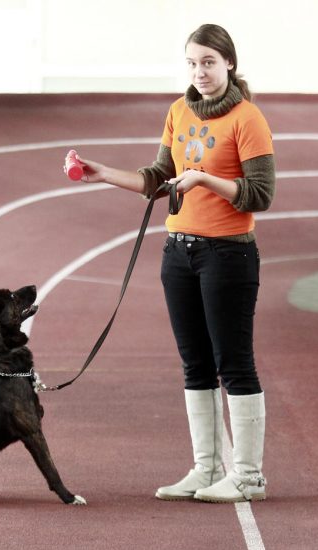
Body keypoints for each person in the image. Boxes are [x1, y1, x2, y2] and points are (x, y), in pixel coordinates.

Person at [76, 24, 275, 503]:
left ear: (228, 62)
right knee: (195, 365)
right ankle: (207, 469)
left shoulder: (248, 119)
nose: (199, 72)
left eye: (208, 62)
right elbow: (157, 180)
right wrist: (102, 174)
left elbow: (260, 195)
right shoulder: (178, 112)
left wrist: (205, 179)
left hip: (227, 254)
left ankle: (248, 476)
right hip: (179, 253)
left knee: (235, 363)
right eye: (191, 63)